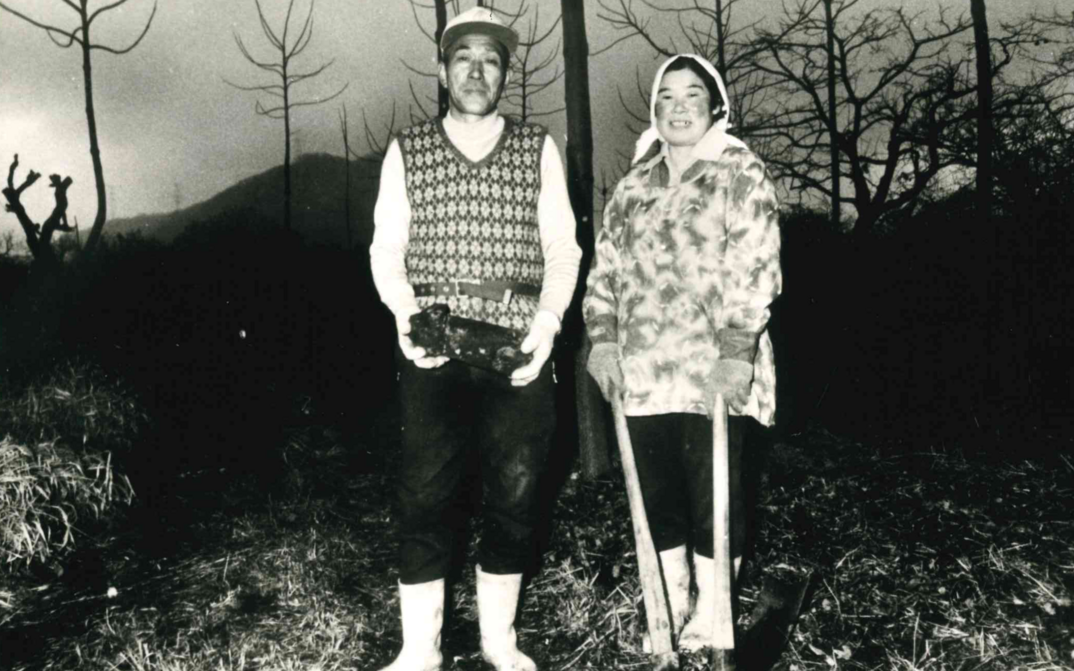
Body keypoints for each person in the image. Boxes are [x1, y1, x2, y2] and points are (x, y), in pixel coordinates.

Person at [369, 7, 582, 671]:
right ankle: (419, 649)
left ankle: (499, 640)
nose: (476, 70)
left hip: (515, 345)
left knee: (516, 489)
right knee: (425, 489)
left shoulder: (538, 145)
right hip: (433, 340)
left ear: (504, 74)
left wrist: (547, 325)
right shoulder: (408, 148)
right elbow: (386, 249)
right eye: (463, 58)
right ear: (442, 70)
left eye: (491, 60)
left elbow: (563, 247)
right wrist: (407, 318)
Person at [583, 54, 781, 652]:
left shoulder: (740, 172)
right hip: (641, 372)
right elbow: (605, 273)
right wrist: (603, 339)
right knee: (656, 494)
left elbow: (756, 266)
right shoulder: (633, 187)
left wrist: (737, 348)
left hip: (710, 369)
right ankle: (668, 605)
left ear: (715, 105)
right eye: (666, 97)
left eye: (692, 94)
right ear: (655, 110)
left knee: (713, 494)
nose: (679, 107)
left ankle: (713, 611)